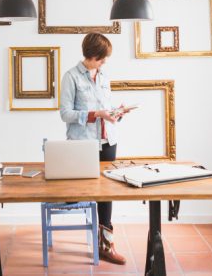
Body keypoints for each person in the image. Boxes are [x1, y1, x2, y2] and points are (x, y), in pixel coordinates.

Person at [59, 32, 132, 265]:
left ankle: (106, 245)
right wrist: (95, 115)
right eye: (101, 58)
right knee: (85, 190)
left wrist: (115, 113)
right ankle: (88, 228)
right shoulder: (70, 77)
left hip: (108, 140)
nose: (104, 62)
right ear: (90, 56)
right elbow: (65, 114)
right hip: (83, 143)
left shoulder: (103, 76)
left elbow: (105, 108)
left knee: (107, 193)